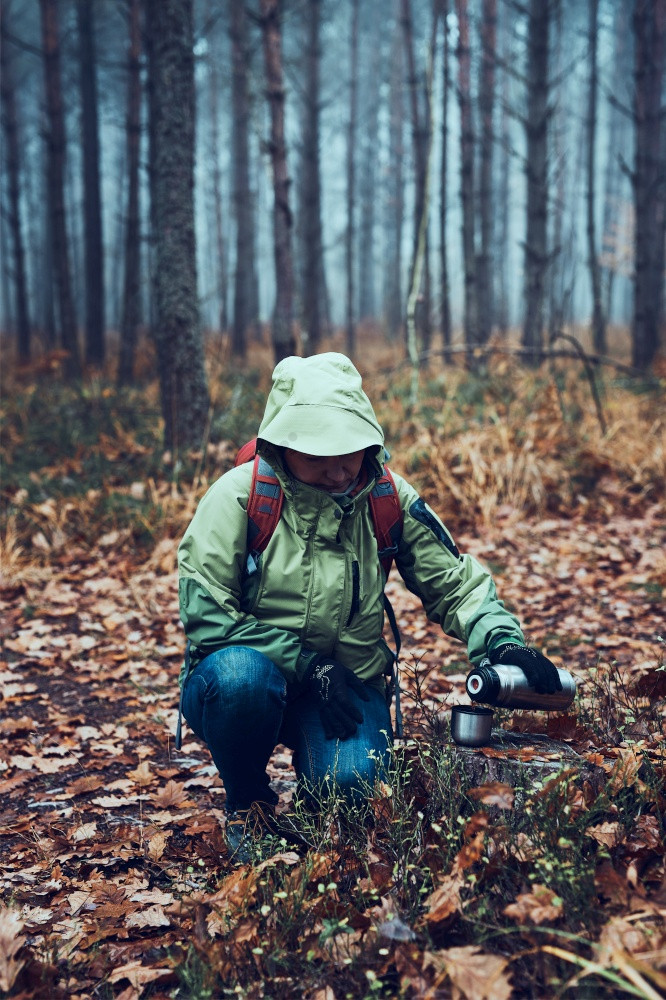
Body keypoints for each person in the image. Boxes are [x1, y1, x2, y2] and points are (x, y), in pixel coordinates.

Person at [177, 353, 560, 860]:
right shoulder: (239, 499)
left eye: (350, 452)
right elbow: (208, 617)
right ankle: (249, 804)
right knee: (241, 682)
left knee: (355, 791)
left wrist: (501, 640)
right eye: (318, 454)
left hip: (347, 685)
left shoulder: (386, 497)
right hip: (246, 674)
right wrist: (309, 666)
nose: (338, 471)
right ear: (283, 445)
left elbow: (455, 582)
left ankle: (317, 806)